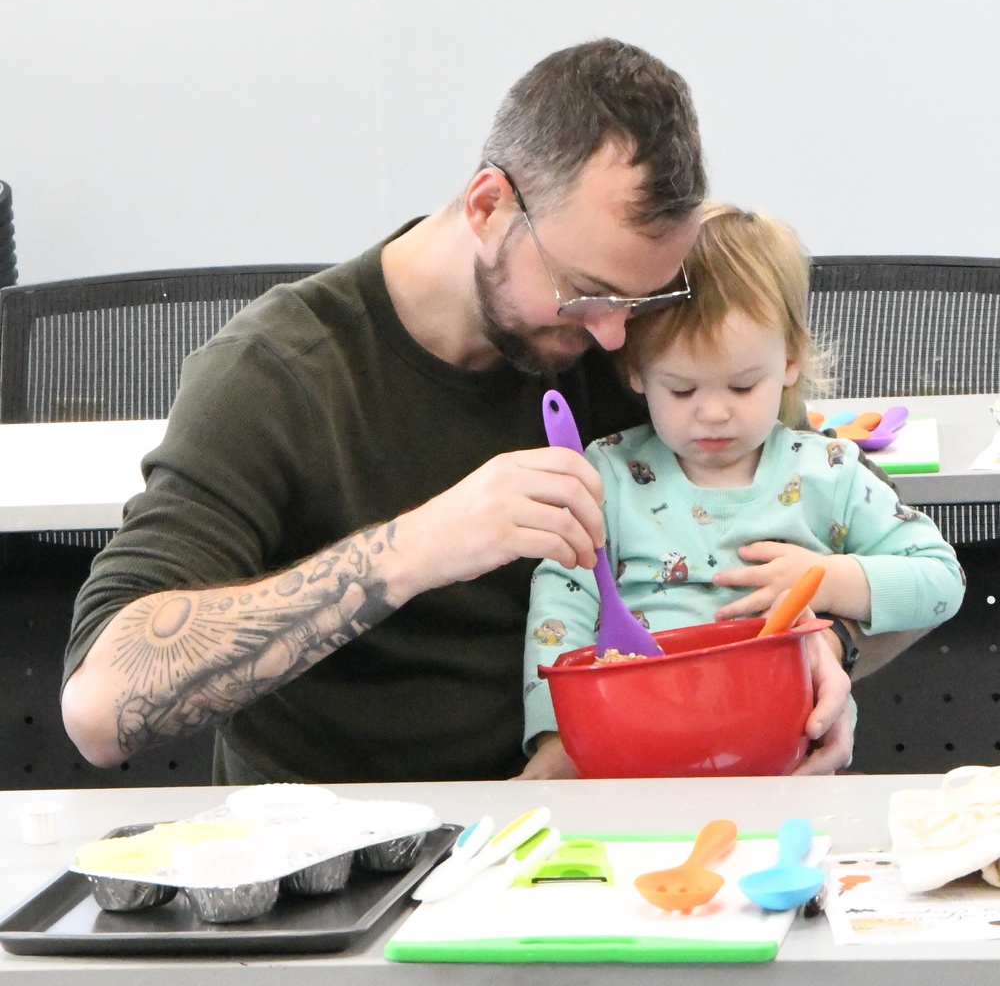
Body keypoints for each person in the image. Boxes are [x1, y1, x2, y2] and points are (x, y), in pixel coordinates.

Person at [62, 39, 881, 785]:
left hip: (597, 836)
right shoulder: (280, 377)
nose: (611, 332)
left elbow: (853, 537)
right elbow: (101, 709)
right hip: (345, 869)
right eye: (583, 290)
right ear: (488, 206)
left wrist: (821, 651)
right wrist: (417, 546)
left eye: (640, 299)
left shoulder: (633, 344)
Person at [523, 203, 966, 772]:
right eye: (681, 390)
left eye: (741, 384)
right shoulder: (608, 473)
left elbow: (942, 578)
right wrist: (559, 741)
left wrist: (827, 581)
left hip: (786, 754)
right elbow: (560, 604)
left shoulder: (826, 470)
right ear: (636, 371)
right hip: (635, 750)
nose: (713, 414)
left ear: (788, 360)